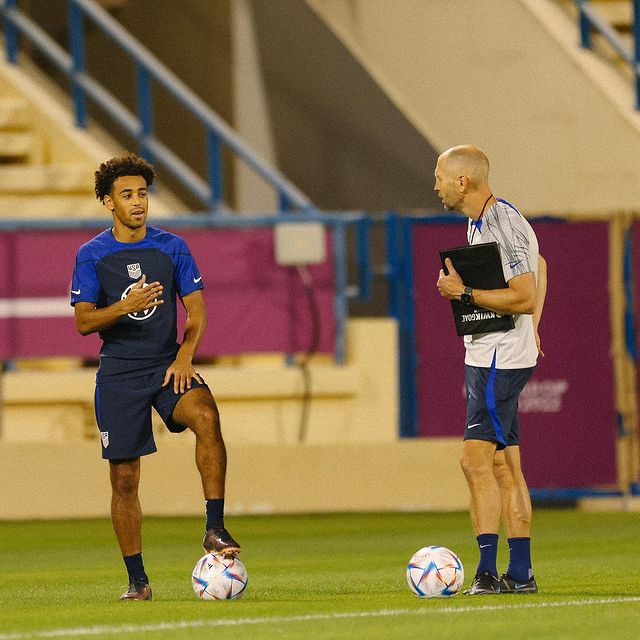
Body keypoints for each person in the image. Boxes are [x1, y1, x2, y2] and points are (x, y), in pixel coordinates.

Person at [70, 153, 240, 601]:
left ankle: (215, 527)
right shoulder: (91, 254)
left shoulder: (173, 247)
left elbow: (197, 309)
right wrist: (125, 306)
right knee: (124, 479)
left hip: (166, 364)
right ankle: (138, 582)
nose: (138, 202)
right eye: (127, 195)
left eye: (142, 193)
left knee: (206, 415)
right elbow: (84, 322)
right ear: (109, 202)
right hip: (119, 373)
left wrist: (185, 356)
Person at [435, 145, 547, 595]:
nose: (435, 184)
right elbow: (540, 265)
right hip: (489, 354)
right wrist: (534, 330)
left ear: (464, 182)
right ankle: (520, 574)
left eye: (440, 175)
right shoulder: (482, 221)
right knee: (504, 465)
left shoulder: (502, 220)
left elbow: (524, 294)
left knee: (473, 459)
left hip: (499, 358)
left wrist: (464, 294)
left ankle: (484, 572)